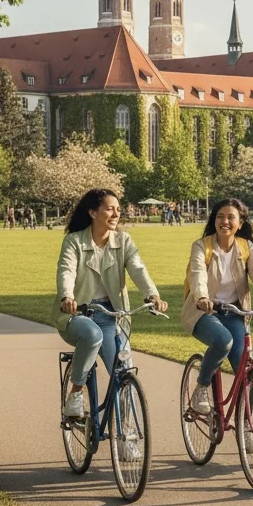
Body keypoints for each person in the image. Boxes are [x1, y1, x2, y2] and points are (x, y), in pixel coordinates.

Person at [53, 189, 167, 443]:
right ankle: (76, 393)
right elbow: (66, 270)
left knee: (124, 375)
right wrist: (66, 296)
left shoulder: (123, 241)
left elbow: (138, 268)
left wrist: (152, 294)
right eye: (109, 208)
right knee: (91, 335)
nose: (116, 213)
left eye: (118, 208)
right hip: (78, 314)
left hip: (111, 316)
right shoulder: (74, 241)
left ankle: (128, 436)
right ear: (93, 212)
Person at [182, 198, 253, 444]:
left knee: (246, 372)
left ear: (240, 223)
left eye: (231, 217)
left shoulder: (245, 247)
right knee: (222, 340)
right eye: (220, 216)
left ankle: (247, 430)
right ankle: (201, 387)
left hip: (235, 313)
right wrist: (202, 297)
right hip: (203, 312)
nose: (225, 222)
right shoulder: (202, 246)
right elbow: (197, 274)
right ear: (214, 220)